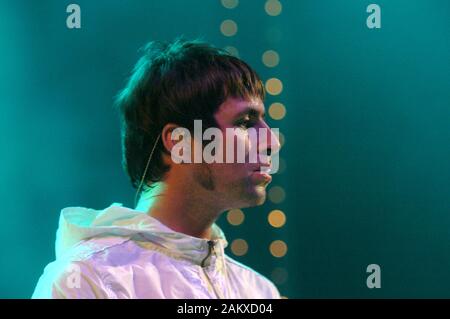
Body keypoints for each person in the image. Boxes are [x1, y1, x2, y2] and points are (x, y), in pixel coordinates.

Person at [32, 38, 281, 299]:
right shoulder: (87, 280)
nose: (271, 141)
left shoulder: (259, 292)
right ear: (180, 142)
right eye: (244, 122)